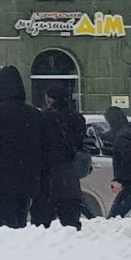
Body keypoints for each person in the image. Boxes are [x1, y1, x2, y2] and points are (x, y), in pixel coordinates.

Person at [0, 66, 51, 229]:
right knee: (20, 221)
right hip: (28, 179)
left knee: (4, 225)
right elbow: (44, 151)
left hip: (1, 180)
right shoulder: (35, 114)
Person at [40, 92, 88, 229]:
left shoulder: (46, 118)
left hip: (50, 174)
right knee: (71, 220)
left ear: (50, 99)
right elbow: (80, 142)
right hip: (70, 174)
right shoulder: (77, 118)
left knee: (42, 224)